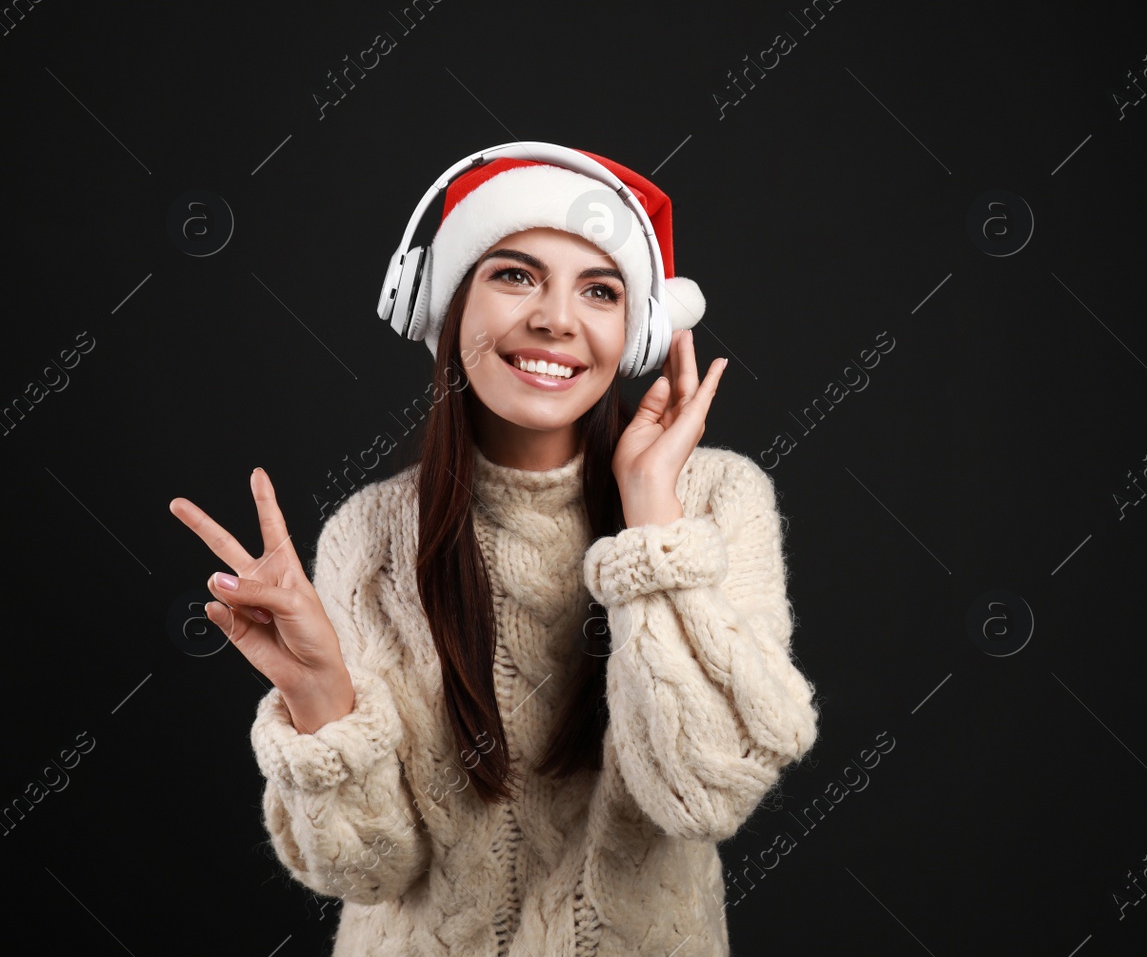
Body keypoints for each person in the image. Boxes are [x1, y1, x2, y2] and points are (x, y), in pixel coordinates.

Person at [168, 149, 821, 956]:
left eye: (600, 290)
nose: (555, 318)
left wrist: (652, 524)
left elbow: (703, 795)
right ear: (446, 309)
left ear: (641, 330)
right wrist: (318, 693)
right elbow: (367, 871)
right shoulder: (367, 536)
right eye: (515, 276)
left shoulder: (715, 501)